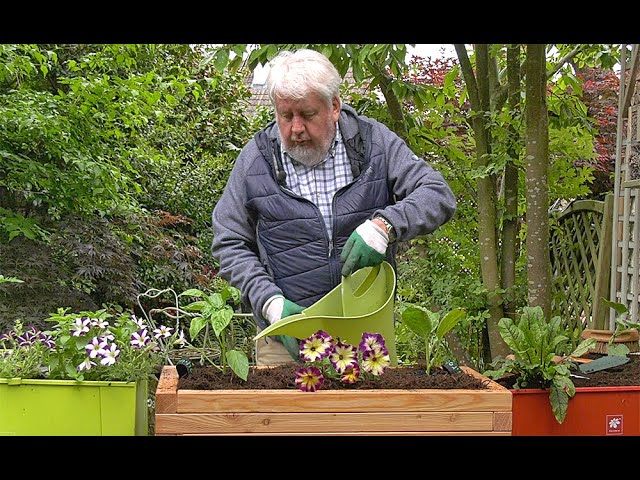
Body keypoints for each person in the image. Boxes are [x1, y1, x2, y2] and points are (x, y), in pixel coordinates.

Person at [211, 48, 456, 365]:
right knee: (284, 417)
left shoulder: (373, 144)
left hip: (367, 336)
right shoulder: (256, 160)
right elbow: (229, 239)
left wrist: (384, 226)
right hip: (288, 339)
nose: (296, 128)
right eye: (286, 116)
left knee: (366, 416)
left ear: (335, 106)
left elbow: (437, 194)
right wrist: (269, 303)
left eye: (308, 115)